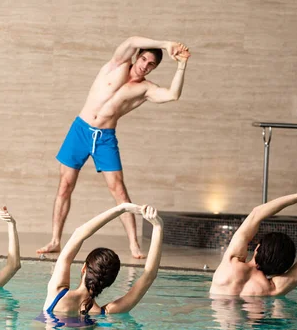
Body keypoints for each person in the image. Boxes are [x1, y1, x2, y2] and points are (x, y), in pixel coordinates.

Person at [37, 36, 190, 258]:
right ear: (137, 56)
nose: (144, 66)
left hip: (105, 138)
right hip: (80, 130)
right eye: (144, 59)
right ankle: (55, 240)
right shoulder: (116, 65)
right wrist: (166, 45)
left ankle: (134, 245)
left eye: (151, 65)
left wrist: (182, 64)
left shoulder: (145, 89)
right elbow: (131, 40)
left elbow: (173, 95)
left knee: (119, 190)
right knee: (65, 185)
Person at [42, 202, 163, 319]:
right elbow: (149, 275)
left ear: (84, 268)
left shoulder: (56, 292)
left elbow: (78, 235)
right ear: (109, 283)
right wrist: (158, 227)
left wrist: (120, 209)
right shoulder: (108, 312)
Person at [210, 190, 297, 297]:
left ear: (258, 247)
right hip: (255, 322)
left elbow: (256, 214)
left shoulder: (230, 262)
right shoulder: (273, 288)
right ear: (285, 266)